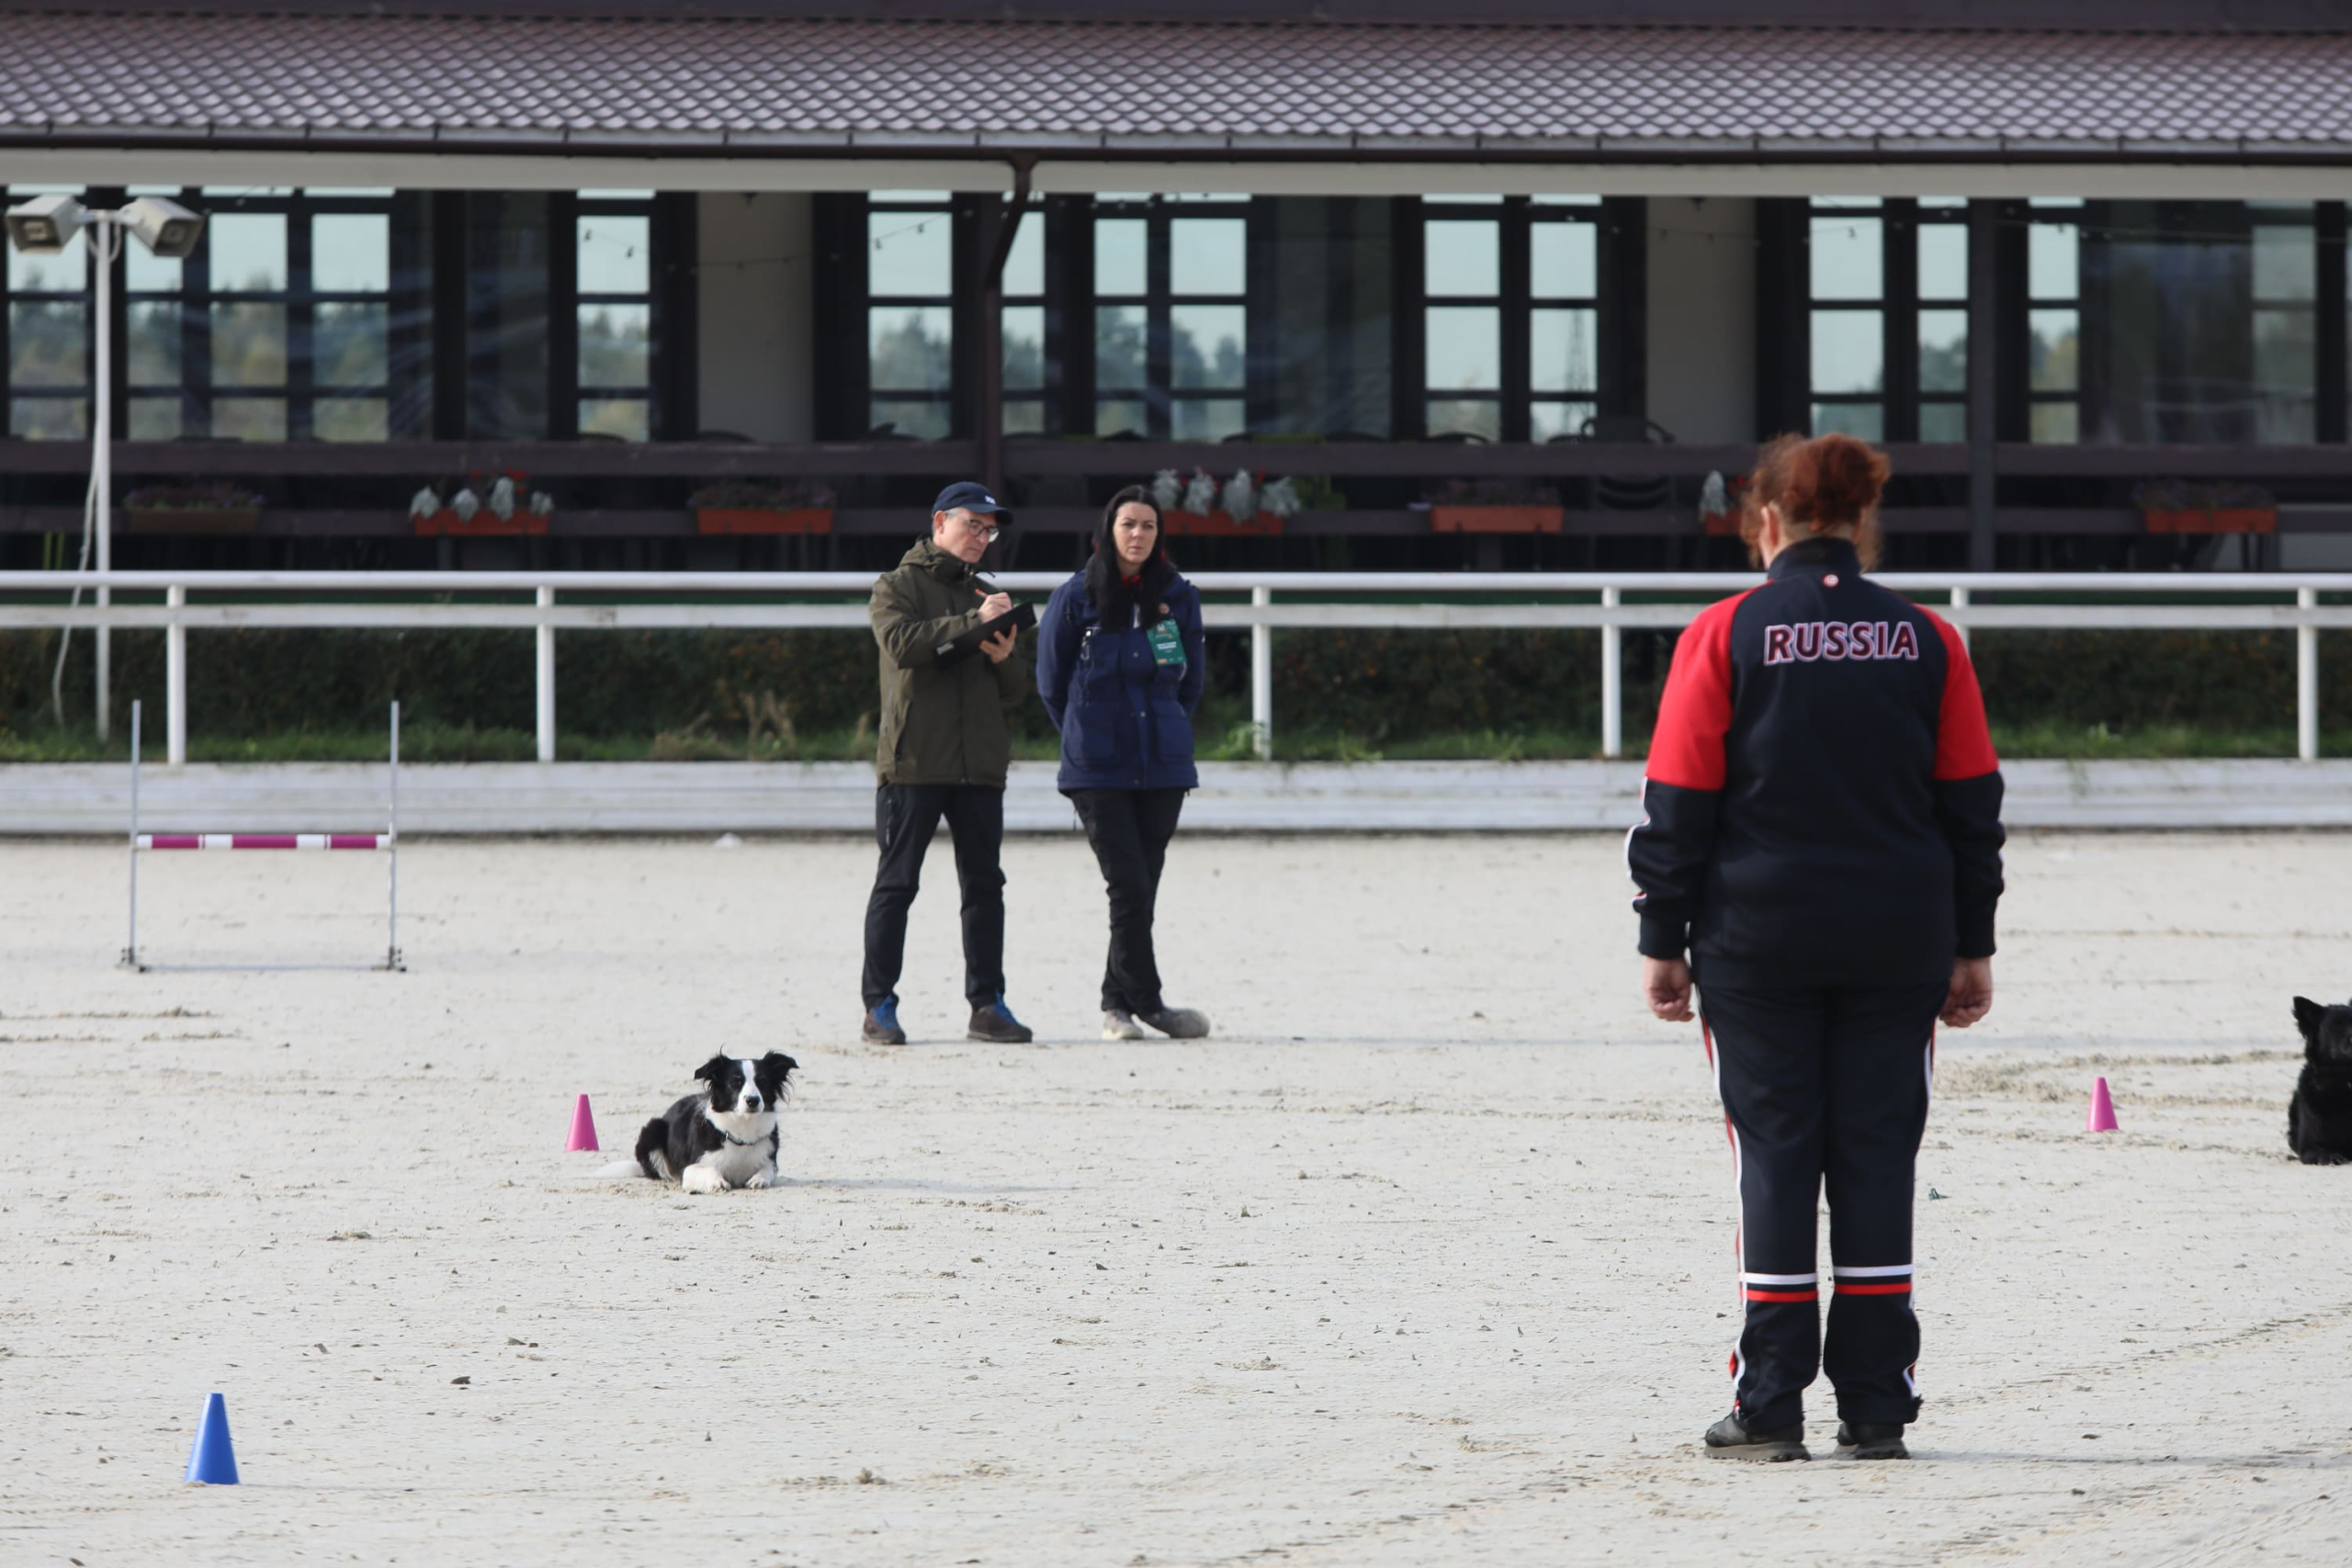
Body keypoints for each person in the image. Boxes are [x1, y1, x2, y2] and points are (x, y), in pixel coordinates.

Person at [1626, 432, 2005, 1464]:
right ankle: (1877, 1403)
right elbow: (1973, 806)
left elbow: (1675, 807)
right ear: (1860, 525)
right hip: (1899, 939)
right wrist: (1973, 942)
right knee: (1877, 1160)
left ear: (1764, 525)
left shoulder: (1725, 633)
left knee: (1777, 1161)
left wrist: (1661, 936)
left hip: (1758, 942)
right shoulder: (1930, 641)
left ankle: (1769, 1404)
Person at [1035, 485, 1212, 1041]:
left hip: (1162, 763)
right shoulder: (1074, 597)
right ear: (1109, 530)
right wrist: (1086, 737)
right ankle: (1151, 1003)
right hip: (1097, 769)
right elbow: (1050, 685)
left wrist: (1168, 728)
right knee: (1129, 884)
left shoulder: (1179, 597)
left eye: (1149, 526)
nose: (1138, 535)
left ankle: (1115, 1005)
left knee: (1142, 886)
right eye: (1128, 524)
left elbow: (1191, 683)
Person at [860, 481, 1034, 1046]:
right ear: (939, 523)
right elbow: (902, 646)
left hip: (979, 764)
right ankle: (879, 1007)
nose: (983, 537)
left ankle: (988, 1005)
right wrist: (974, 624)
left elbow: (1015, 689)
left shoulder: (989, 591)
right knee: (897, 884)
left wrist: (1006, 656)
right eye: (973, 525)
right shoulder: (896, 586)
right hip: (913, 761)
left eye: (990, 530)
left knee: (985, 887)